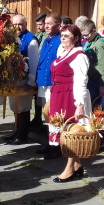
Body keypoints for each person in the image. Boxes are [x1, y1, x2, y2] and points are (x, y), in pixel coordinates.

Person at [50, 25, 92, 183]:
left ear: (76, 39)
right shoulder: (62, 52)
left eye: (66, 36)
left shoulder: (79, 56)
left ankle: (69, 169)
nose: (62, 38)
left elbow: (81, 81)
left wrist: (80, 104)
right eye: (62, 35)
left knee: (72, 133)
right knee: (63, 132)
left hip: (71, 97)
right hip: (59, 95)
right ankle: (77, 165)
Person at [5, 14, 38, 145]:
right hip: (13, 80)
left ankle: (23, 135)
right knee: (15, 107)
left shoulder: (31, 40)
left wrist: (31, 80)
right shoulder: (12, 38)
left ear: (25, 24)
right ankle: (17, 131)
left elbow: (34, 62)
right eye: (14, 24)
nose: (17, 27)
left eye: (20, 24)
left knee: (23, 108)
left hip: (25, 80)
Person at [35, 13, 62, 158]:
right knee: (47, 115)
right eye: (45, 23)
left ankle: (56, 146)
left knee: (53, 115)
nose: (46, 26)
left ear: (58, 25)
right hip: (44, 82)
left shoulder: (59, 40)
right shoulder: (47, 39)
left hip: (52, 83)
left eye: (49, 23)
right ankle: (50, 142)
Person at [81, 19, 104, 103]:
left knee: (94, 106)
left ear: (94, 31)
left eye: (86, 35)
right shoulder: (89, 41)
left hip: (96, 80)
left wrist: (102, 85)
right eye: (83, 35)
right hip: (88, 78)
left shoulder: (101, 44)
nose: (85, 37)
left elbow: (103, 65)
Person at [30, 12, 48, 127]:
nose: (38, 27)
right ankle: (37, 117)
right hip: (37, 69)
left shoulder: (47, 36)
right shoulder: (38, 34)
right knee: (36, 96)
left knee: (43, 97)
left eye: (40, 24)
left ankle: (44, 118)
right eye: (37, 24)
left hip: (43, 68)